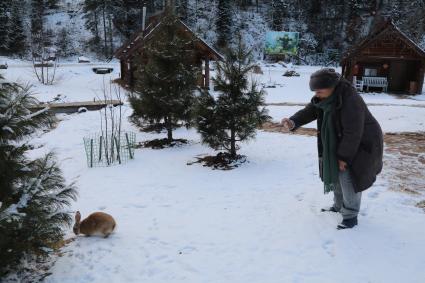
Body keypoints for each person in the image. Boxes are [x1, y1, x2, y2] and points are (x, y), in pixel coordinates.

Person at [281, 68, 383, 229]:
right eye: (315, 91)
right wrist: (293, 121)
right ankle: (338, 205)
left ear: (332, 86)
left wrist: (343, 157)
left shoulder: (350, 100)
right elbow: (311, 110)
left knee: (349, 177)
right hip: (340, 139)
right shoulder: (325, 97)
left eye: (320, 91)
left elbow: (353, 132)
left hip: (361, 141)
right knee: (335, 173)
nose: (317, 95)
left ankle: (350, 216)